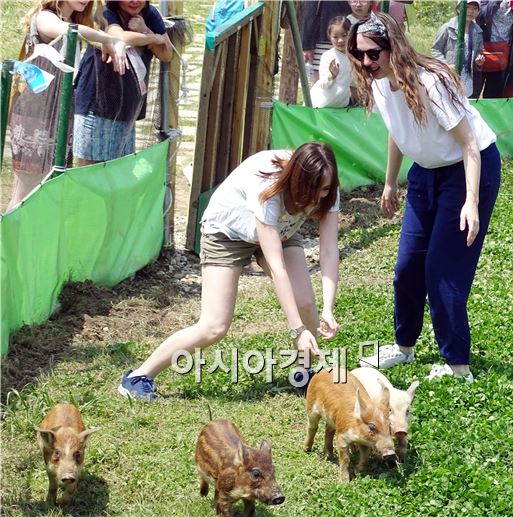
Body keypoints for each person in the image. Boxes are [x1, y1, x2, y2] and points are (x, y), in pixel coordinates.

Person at [118, 142, 341, 400]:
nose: (317, 199)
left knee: (305, 303)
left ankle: (304, 375)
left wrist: (327, 308)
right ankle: (138, 377)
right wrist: (297, 330)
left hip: (280, 230)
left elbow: (329, 251)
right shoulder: (268, 190)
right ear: (296, 181)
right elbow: (278, 268)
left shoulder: (327, 187)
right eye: (311, 191)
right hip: (227, 233)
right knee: (214, 326)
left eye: (323, 190)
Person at [348, 13, 500, 381]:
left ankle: (457, 365)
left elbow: (469, 145)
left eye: (373, 54)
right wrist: (389, 183)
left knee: (442, 268)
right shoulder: (382, 83)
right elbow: (397, 131)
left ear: (393, 47)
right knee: (407, 267)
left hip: (466, 170)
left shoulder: (431, 83)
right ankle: (404, 348)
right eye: (359, 54)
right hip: (424, 173)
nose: (366, 63)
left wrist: (470, 201)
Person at [6, 0, 126, 212]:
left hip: (61, 113)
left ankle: (37, 242)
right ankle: (7, 243)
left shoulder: (77, 21)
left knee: (51, 191)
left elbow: (87, 32)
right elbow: (70, 31)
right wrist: (109, 39)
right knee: (25, 192)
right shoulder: (45, 17)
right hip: (35, 113)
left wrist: (113, 40)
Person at [73, 1, 172, 166]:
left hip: (127, 106)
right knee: (89, 165)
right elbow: (119, 37)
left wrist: (145, 30)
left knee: (119, 167)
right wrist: (153, 37)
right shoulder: (105, 12)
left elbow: (167, 54)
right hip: (96, 102)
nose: (135, 1)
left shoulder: (150, 14)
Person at [475, 0, 513, 98]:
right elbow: (479, 18)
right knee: (473, 94)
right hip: (481, 52)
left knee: (493, 97)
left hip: (503, 55)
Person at [432, 0, 484, 98]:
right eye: (467, 7)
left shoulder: (478, 31)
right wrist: (446, 66)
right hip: (449, 77)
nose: (471, 11)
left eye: (474, 8)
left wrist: (479, 62)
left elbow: (479, 52)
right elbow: (436, 50)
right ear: (459, 8)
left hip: (468, 80)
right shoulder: (447, 28)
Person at [303, 1, 351, 85]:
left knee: (346, 78)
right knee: (319, 82)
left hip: (348, 35)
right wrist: (307, 45)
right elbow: (310, 10)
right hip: (323, 37)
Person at [311, 17, 354, 108]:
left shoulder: (353, 57)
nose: (340, 40)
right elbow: (323, 85)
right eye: (335, 37)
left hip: (341, 107)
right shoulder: (327, 56)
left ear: (351, 35)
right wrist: (332, 76)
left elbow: (353, 82)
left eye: (344, 35)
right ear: (329, 36)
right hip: (321, 106)